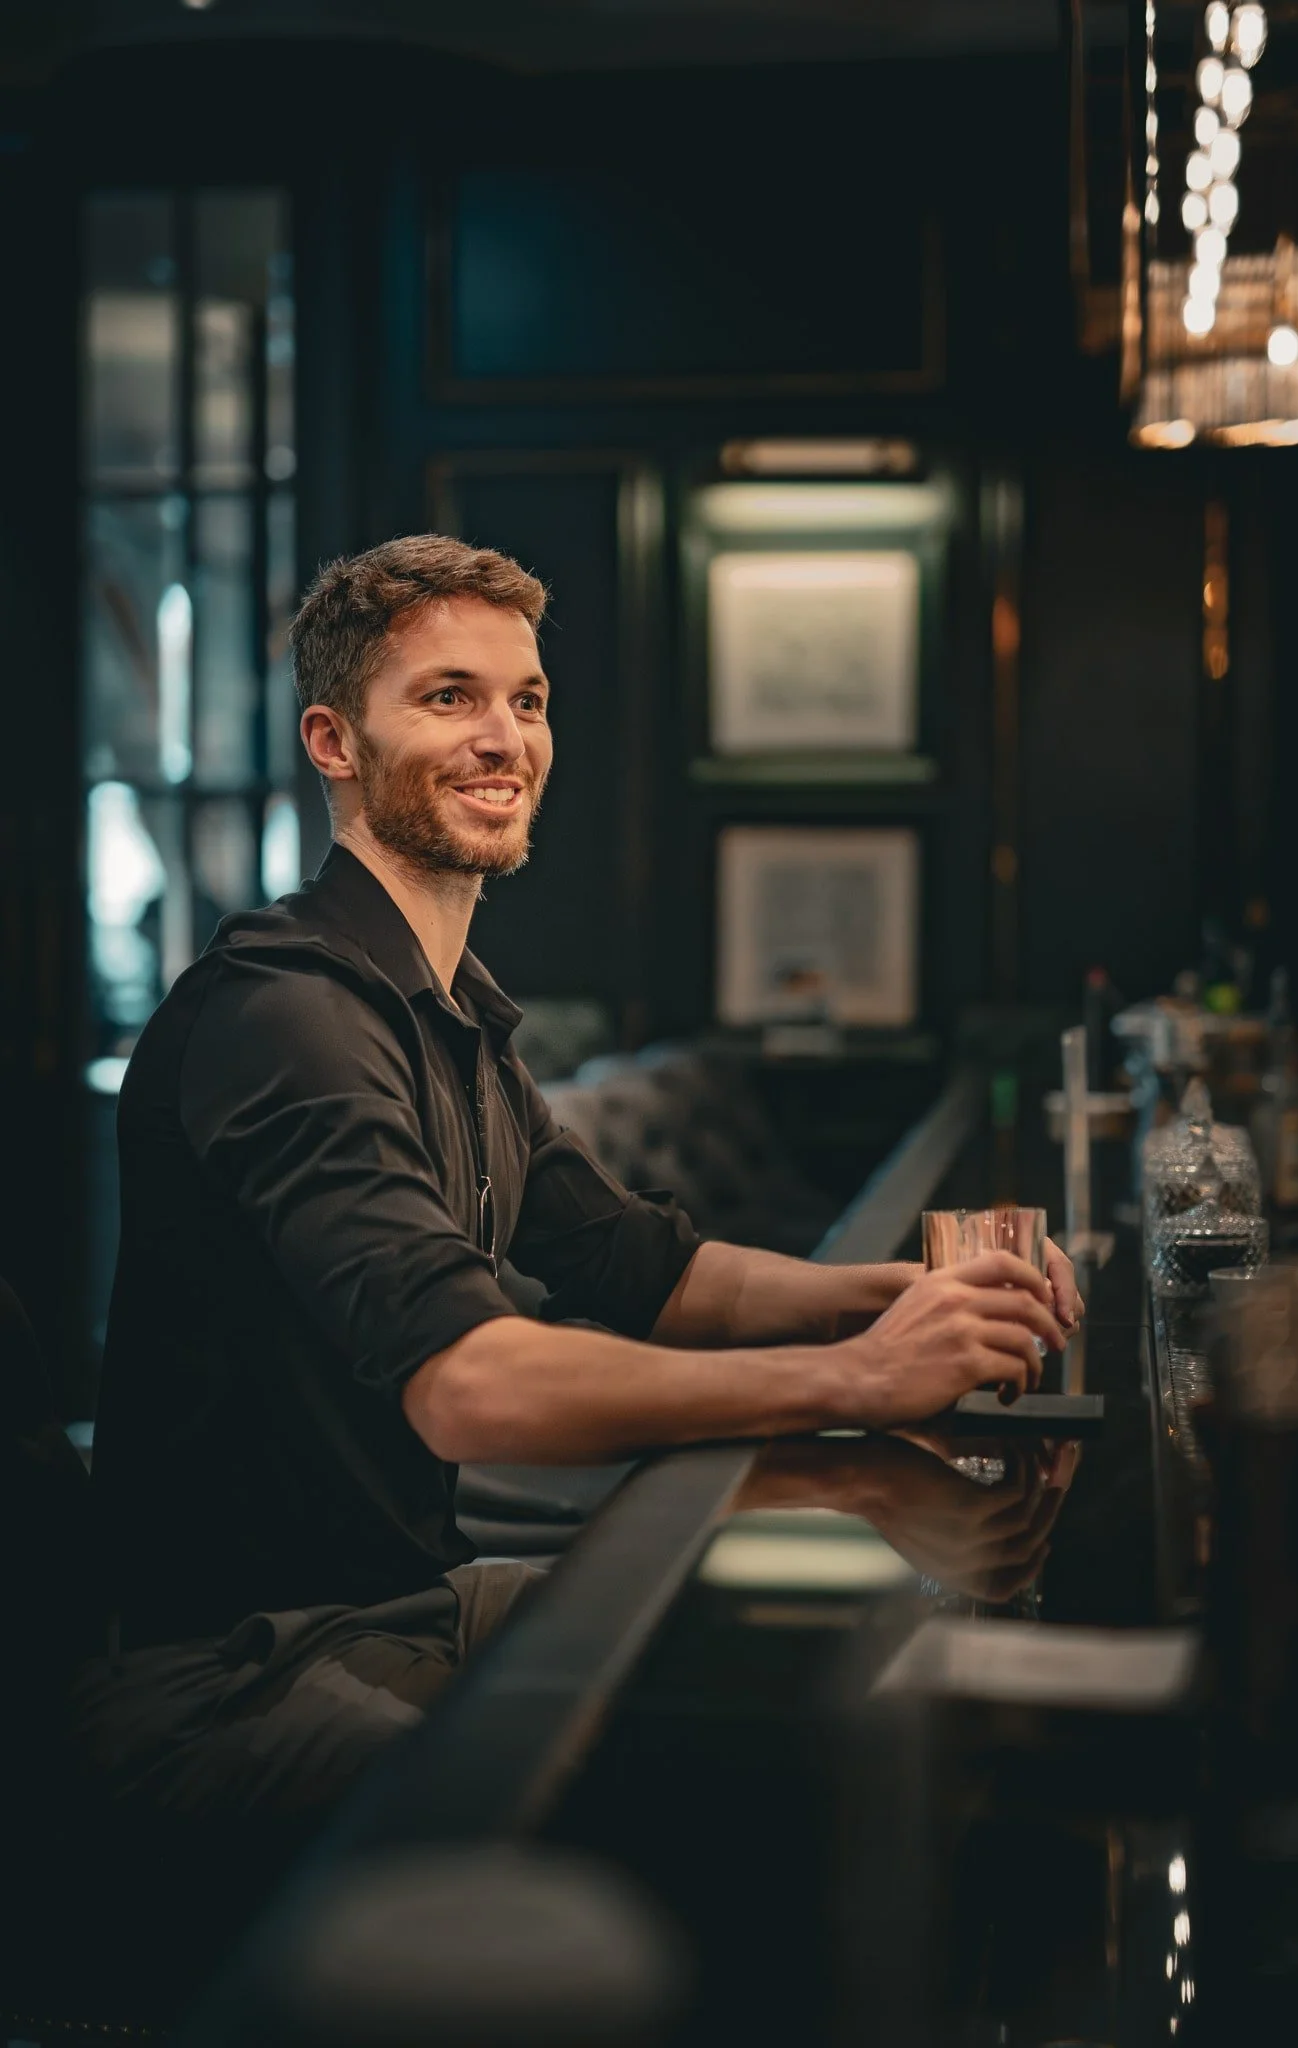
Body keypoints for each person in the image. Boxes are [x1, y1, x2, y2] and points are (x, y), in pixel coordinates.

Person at [74, 535, 1081, 1821]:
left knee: (825, 1694)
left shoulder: (450, 1009)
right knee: (699, 1807)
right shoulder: (287, 1014)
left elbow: (650, 1270)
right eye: (450, 696)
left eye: (528, 700)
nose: (506, 736)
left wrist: (910, 1294)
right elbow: (471, 1386)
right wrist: (865, 1378)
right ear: (334, 741)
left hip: (410, 1600)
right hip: (234, 1668)